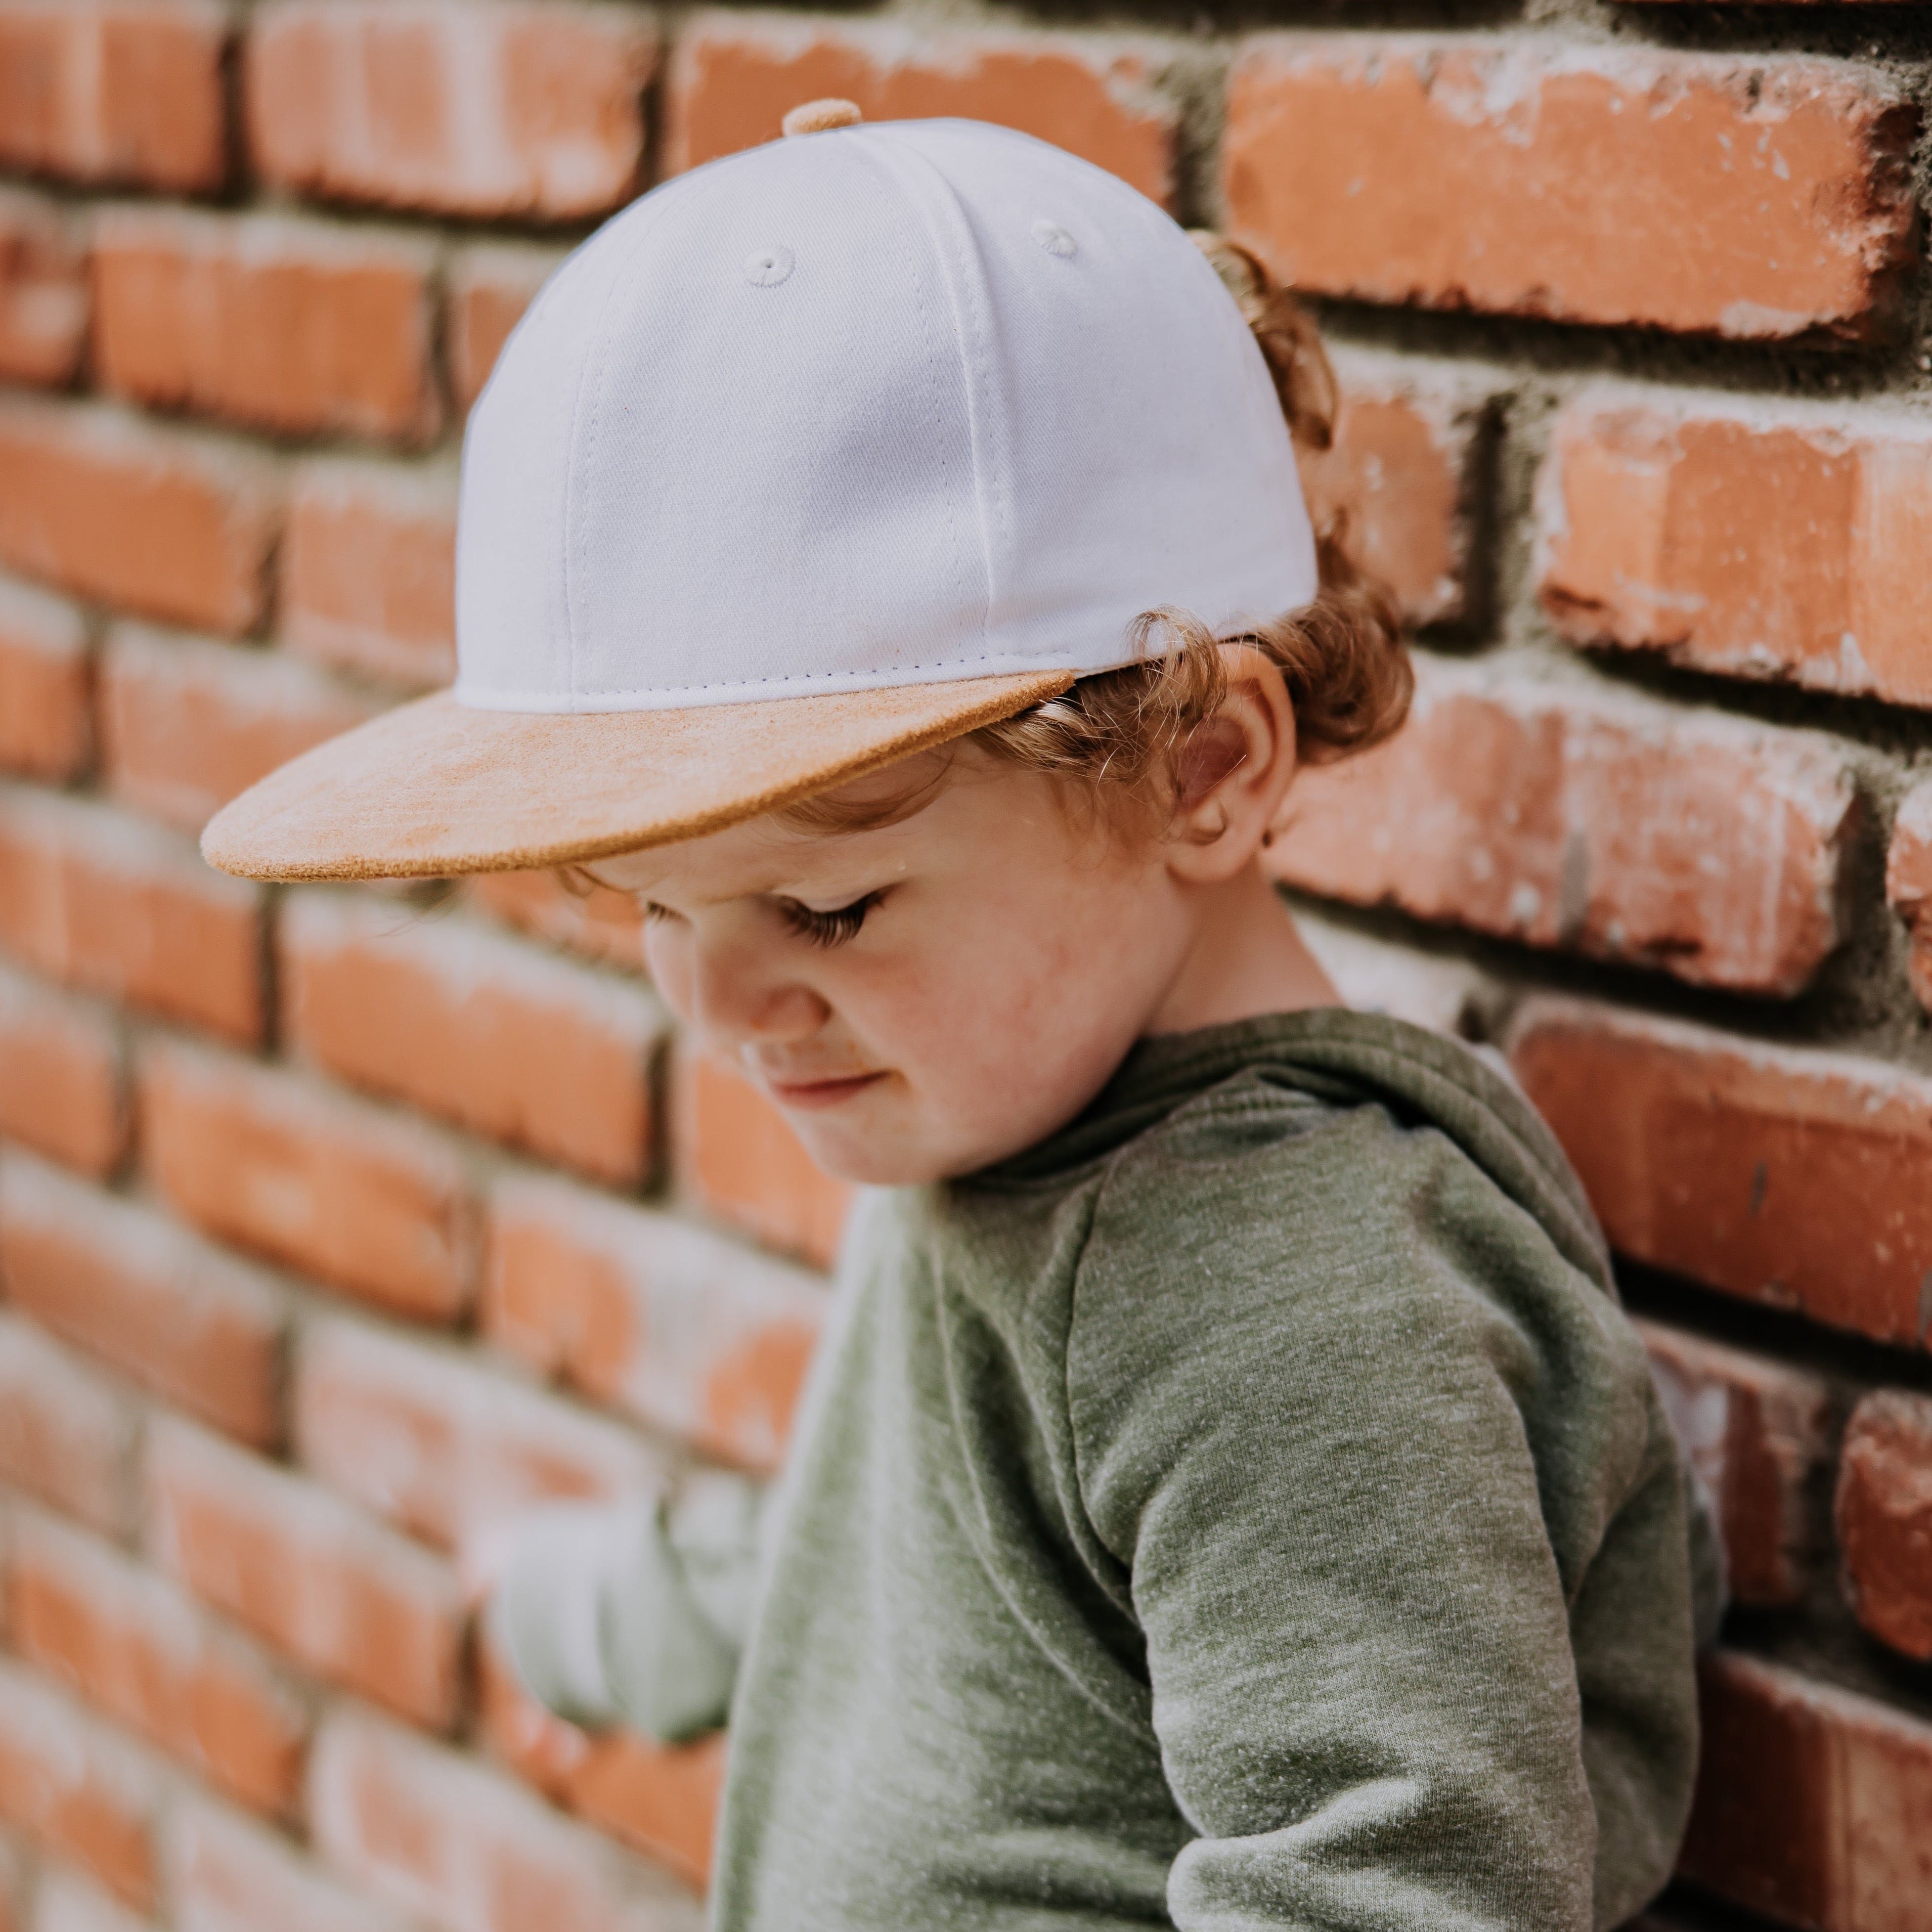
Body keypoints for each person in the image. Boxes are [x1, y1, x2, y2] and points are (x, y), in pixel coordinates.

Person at [204, 102, 1721, 1932]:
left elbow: (1401, 1887)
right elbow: (916, 1555)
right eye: (651, 909)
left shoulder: (1292, 1310)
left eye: (826, 901)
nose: (726, 997)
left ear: (1203, 768)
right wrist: (623, 1610)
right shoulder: (1016, 1123)